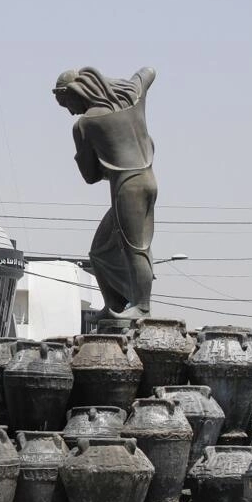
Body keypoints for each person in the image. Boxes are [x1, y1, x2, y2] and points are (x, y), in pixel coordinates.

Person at [53, 66, 158, 319]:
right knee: (100, 251)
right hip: (147, 181)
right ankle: (115, 305)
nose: (70, 111)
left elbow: (90, 176)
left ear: (77, 91)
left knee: (135, 247)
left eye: (67, 103)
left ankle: (142, 307)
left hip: (127, 187)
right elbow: (148, 72)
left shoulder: (85, 124)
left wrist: (89, 154)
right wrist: (126, 87)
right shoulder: (132, 98)